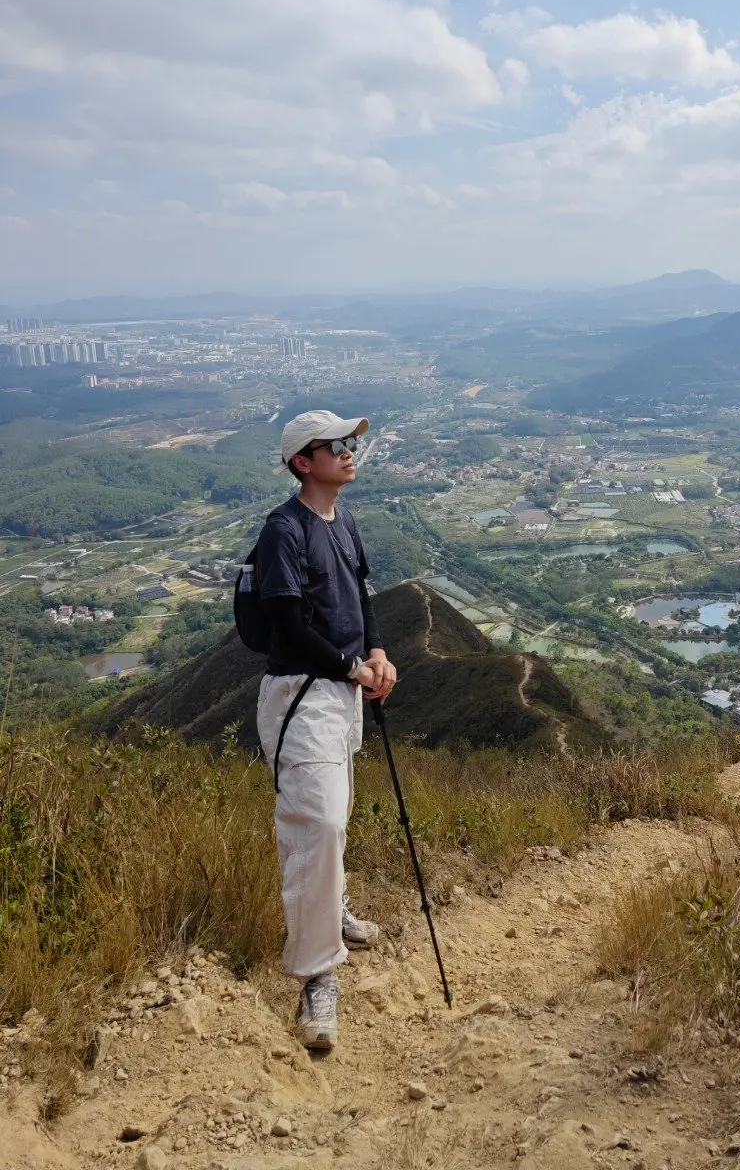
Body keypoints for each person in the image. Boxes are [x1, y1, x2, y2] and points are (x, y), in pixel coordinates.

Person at [254, 410, 397, 1051]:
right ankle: (317, 976)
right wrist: (351, 667)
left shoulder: (344, 521)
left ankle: (329, 907)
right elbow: (287, 625)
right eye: (333, 444)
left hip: (341, 692)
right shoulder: (283, 531)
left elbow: (361, 599)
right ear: (302, 462)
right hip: (301, 696)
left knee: (335, 811)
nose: (347, 451)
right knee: (322, 821)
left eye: (349, 442)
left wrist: (377, 654)